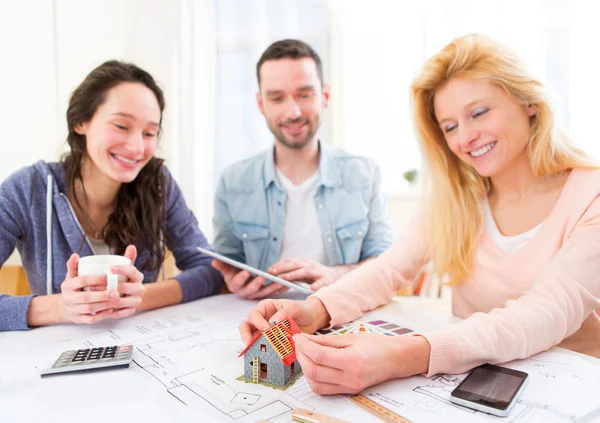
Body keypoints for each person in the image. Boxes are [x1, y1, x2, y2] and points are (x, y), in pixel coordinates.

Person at [238, 34, 600, 395]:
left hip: (570, 394)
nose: (467, 138)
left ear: (528, 102)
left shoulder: (591, 193)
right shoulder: (459, 198)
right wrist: (316, 310)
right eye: (450, 127)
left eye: (478, 112)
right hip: (474, 387)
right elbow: (388, 270)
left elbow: (545, 314)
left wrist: (403, 355)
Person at [0, 60, 222, 331]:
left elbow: (210, 268)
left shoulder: (158, 184)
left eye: (150, 132)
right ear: (81, 121)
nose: (137, 147)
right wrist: (60, 306)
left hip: (140, 349)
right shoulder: (29, 189)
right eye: (121, 126)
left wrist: (139, 298)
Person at [212, 39, 395, 300]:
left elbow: (388, 266)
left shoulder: (364, 175)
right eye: (277, 98)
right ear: (260, 103)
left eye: (304, 94)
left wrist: (336, 275)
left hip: (342, 316)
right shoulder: (232, 182)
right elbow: (223, 270)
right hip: (263, 320)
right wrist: (231, 282)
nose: (293, 112)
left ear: (325, 96)